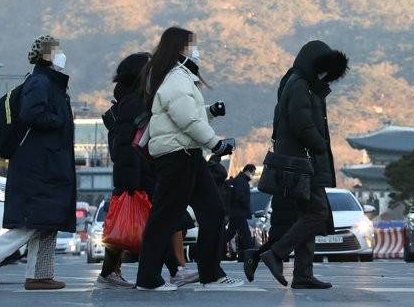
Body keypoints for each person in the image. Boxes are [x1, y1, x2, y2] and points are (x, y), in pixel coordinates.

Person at [134, 27, 242, 291]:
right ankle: (148, 279)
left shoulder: (179, 77)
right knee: (165, 217)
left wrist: (211, 112)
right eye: (193, 45)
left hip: (188, 154)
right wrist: (216, 144)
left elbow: (189, 114)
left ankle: (210, 273)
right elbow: (187, 120)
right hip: (176, 156)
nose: (197, 50)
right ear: (181, 48)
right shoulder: (175, 79)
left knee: (213, 211)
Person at [0, 35, 75, 290]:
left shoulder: (47, 82)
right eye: (58, 51)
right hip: (39, 165)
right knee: (38, 218)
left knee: (49, 220)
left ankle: (38, 276)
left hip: (47, 162)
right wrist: (58, 120)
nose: (62, 55)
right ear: (48, 56)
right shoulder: (41, 82)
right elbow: (31, 113)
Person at [96, 52, 198, 289]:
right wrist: (133, 182)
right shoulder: (135, 103)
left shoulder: (134, 100)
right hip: (139, 176)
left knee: (134, 225)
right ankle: (175, 270)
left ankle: (108, 273)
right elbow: (125, 145)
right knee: (153, 224)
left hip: (140, 174)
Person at [257, 40, 348, 289]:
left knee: (307, 215)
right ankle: (276, 254)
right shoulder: (300, 86)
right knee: (317, 213)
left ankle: (302, 274)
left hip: (303, 163)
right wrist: (320, 145)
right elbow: (302, 125)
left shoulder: (303, 85)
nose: (324, 76)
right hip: (304, 163)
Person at [225, 164, 256, 261]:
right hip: (239, 212)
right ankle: (250, 256)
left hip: (236, 212)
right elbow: (240, 196)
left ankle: (217, 246)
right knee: (246, 235)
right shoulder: (241, 181)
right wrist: (246, 205)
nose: (253, 175)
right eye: (253, 173)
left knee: (230, 233)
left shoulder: (240, 180)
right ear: (248, 171)